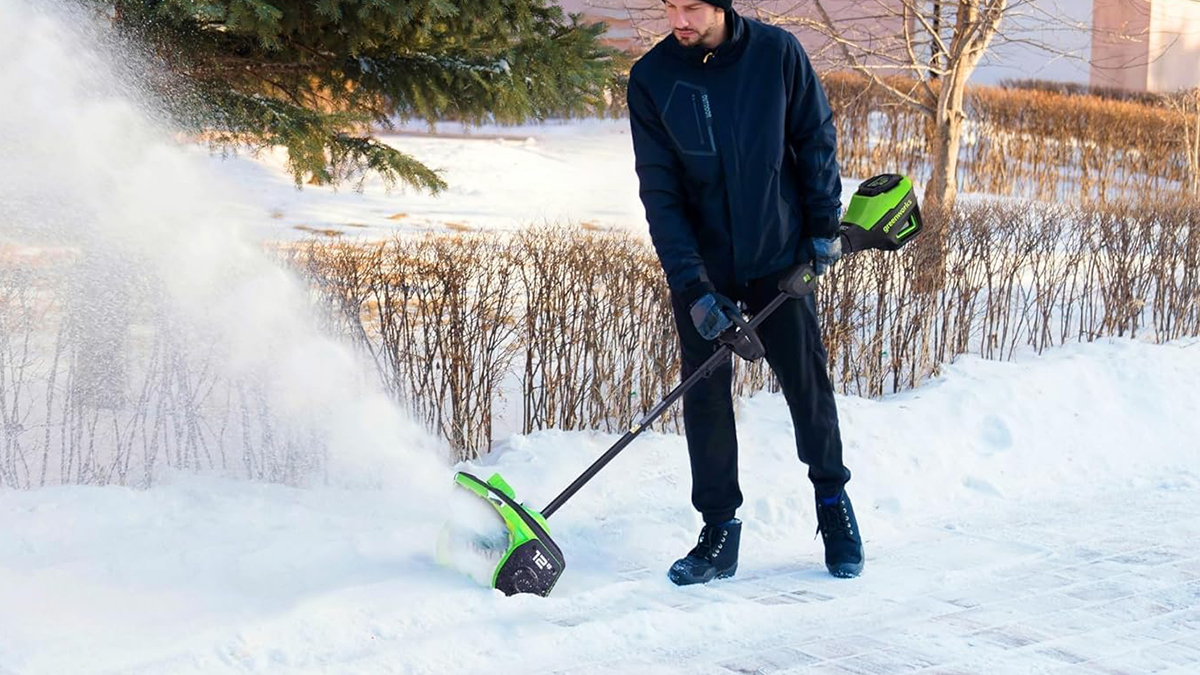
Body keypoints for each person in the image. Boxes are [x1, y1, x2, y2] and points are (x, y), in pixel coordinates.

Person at [627, 0, 863, 585]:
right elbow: (660, 192)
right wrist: (693, 288)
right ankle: (719, 532)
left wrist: (822, 225)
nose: (678, 20)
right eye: (669, 7)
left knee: (807, 384)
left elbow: (814, 137)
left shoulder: (777, 54)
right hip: (705, 269)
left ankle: (833, 503)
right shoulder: (652, 77)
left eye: (691, 7)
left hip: (778, 256)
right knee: (705, 397)